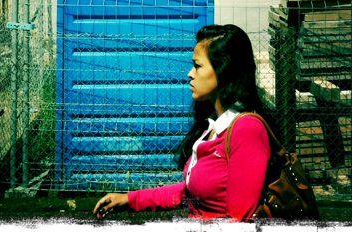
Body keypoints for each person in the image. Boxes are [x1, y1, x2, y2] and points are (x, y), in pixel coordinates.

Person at [94, 24, 278, 222]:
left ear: (224, 70)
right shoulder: (214, 126)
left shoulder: (247, 130)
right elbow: (192, 193)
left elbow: (239, 221)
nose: (190, 73)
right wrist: (129, 200)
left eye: (198, 66)